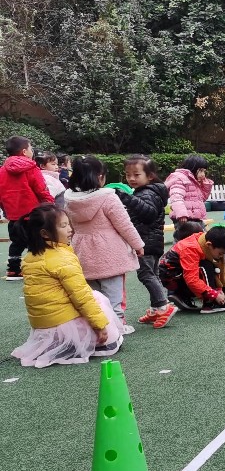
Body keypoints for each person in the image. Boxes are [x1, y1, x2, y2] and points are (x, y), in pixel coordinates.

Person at [11, 204, 122, 367]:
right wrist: (100, 325)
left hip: (43, 327)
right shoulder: (61, 258)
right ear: (45, 234)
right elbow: (81, 296)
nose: (70, 229)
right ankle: (87, 341)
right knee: (96, 298)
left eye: (69, 224)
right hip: (63, 325)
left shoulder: (30, 257)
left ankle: (60, 343)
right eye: (63, 226)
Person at [64, 156, 144, 334]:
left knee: (93, 296)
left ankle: (98, 326)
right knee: (114, 294)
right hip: (110, 252)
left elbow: (70, 227)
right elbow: (124, 225)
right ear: (100, 177)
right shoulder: (108, 198)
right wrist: (137, 244)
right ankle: (117, 326)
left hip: (82, 251)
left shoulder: (70, 200)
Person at [120, 156, 176, 328]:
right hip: (152, 241)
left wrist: (127, 199)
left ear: (150, 176)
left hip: (146, 242)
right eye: (128, 174)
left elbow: (149, 214)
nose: (131, 178)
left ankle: (163, 306)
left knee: (146, 275)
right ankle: (156, 308)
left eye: (136, 175)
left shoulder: (147, 193)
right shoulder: (148, 191)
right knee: (153, 274)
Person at [1, 135, 54, 280]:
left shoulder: (2, 170)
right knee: (35, 240)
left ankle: (13, 270)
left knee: (16, 242)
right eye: (30, 148)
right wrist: (50, 203)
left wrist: (5, 210)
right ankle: (35, 268)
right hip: (32, 212)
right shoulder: (31, 167)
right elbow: (41, 189)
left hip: (13, 214)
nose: (32, 151)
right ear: (24, 151)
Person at [158, 224, 225, 313]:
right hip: (171, 278)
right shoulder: (190, 249)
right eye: (220, 253)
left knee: (209, 265)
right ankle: (210, 303)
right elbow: (192, 280)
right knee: (206, 265)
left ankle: (182, 295)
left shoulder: (203, 241)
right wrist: (214, 294)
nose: (221, 257)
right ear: (209, 245)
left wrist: (218, 290)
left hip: (177, 274)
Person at [165, 154, 214, 227]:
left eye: (204, 171)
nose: (203, 174)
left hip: (196, 217)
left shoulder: (195, 181)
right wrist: (182, 214)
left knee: (199, 234)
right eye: (201, 171)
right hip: (184, 218)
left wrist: (205, 184)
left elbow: (202, 198)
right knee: (188, 234)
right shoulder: (180, 179)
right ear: (192, 168)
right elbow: (176, 197)